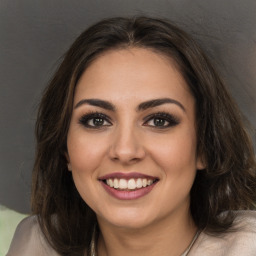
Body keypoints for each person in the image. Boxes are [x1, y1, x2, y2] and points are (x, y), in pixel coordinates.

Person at [7, 16, 256, 256]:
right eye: (97, 120)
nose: (125, 151)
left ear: (205, 146)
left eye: (159, 120)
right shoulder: (34, 245)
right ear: (65, 147)